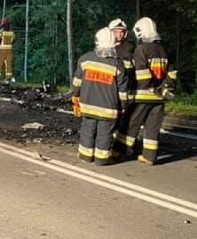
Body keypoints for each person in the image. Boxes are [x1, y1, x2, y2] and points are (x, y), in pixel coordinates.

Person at [116, 17, 177, 165]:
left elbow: (141, 73)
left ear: (140, 32)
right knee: (152, 128)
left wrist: (150, 87)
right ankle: (149, 156)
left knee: (130, 124)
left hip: (143, 95)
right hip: (159, 98)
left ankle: (118, 151)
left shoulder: (141, 49)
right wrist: (164, 88)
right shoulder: (163, 50)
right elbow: (172, 72)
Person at [71, 27, 130, 165]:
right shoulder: (118, 64)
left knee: (87, 129)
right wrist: (123, 106)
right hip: (108, 109)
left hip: (87, 106)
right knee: (105, 133)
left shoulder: (85, 59)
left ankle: (86, 155)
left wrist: (75, 96)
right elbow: (123, 90)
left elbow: (76, 82)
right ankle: (102, 159)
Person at [108, 18, 136, 146]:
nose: (118, 34)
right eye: (116, 32)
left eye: (121, 32)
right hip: (109, 89)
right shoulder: (107, 48)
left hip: (125, 88)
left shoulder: (129, 48)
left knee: (124, 119)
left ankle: (121, 145)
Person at [0, 18, 16, 82]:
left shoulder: (1, 32)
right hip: (9, 50)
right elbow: (14, 40)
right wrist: (10, 44)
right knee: (8, 64)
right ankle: (8, 77)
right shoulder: (11, 33)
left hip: (1, 50)